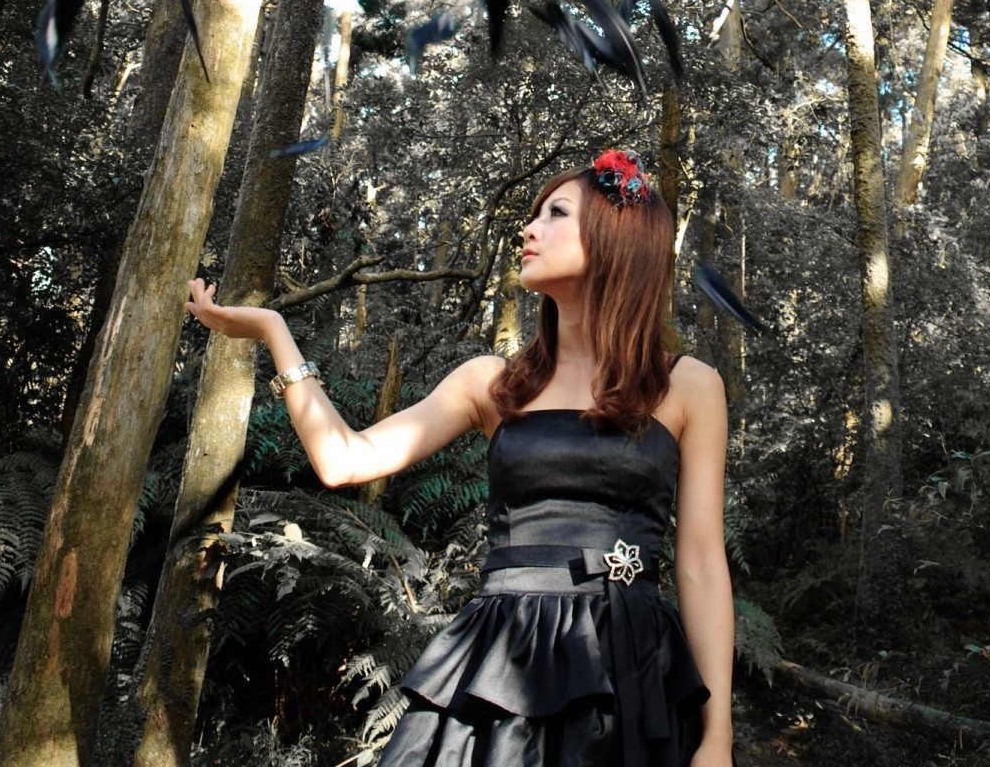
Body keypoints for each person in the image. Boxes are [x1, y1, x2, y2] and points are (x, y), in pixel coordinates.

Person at [185, 147, 734, 767]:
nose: (530, 229)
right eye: (534, 214)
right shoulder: (491, 383)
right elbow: (342, 460)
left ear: (616, 240)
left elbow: (701, 562)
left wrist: (717, 738)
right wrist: (273, 332)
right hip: (503, 664)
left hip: (631, 669)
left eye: (555, 213)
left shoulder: (688, 386)